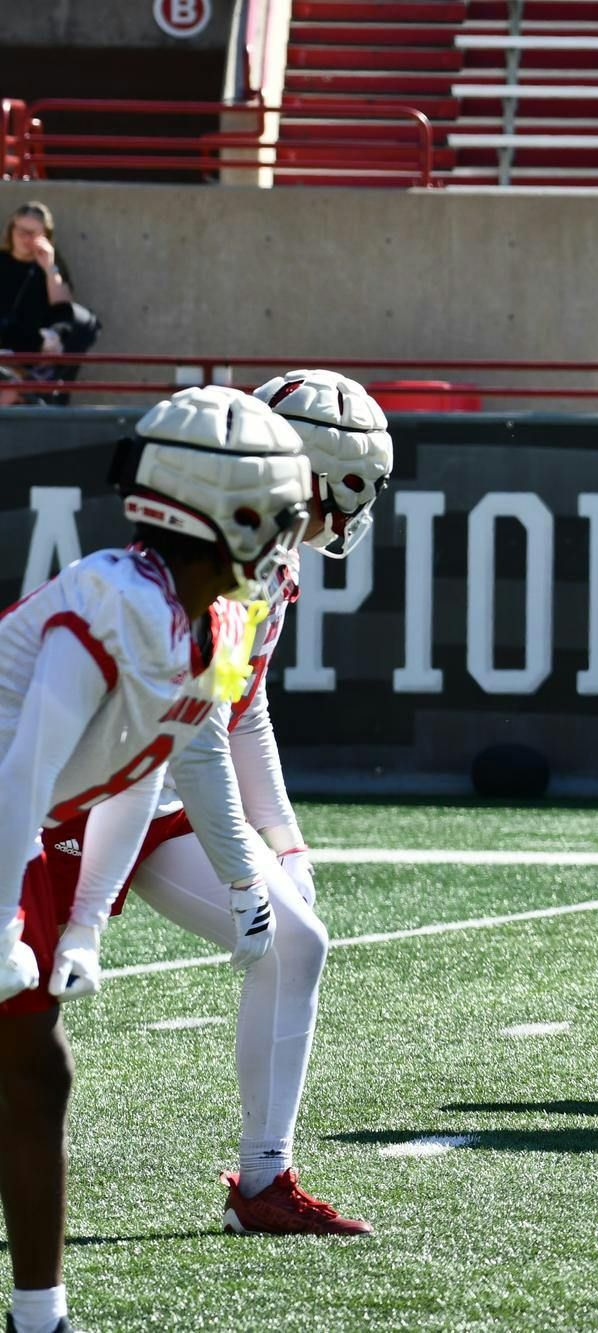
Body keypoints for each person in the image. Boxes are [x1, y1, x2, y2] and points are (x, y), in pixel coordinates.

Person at [39, 371, 392, 1238]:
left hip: (140, 780)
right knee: (23, 1014)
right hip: (67, 781)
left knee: (297, 943)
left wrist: (287, 844)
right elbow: (194, 734)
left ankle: (265, 1176)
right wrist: (244, 870)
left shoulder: (269, 569)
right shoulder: (214, 570)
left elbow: (237, 712)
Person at [0, 385, 310, 1333]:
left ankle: (40, 1315)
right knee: (28, 1060)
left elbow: (178, 755)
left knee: (32, 1064)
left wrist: (93, 919)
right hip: (8, 812)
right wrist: (6, 919)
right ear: (223, 509)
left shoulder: (211, 619)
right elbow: (24, 766)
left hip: (30, 820)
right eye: (276, 508)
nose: (291, 532)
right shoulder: (114, 601)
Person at [0, 203, 101, 401]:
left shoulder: (50, 267)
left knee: (11, 390)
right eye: (20, 230)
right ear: (11, 230)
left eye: (33, 233)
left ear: (46, 235)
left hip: (30, 354)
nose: (25, 238)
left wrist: (49, 267)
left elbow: (65, 311)